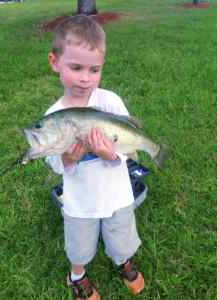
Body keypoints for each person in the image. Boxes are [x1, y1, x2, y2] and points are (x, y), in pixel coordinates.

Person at [45, 15, 145, 300]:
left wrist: (111, 155)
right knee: (80, 244)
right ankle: (77, 274)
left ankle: (123, 259)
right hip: (81, 202)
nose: (85, 78)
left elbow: (125, 148)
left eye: (94, 69)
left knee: (121, 234)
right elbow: (53, 163)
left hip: (116, 195)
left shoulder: (110, 102)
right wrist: (67, 159)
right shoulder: (54, 117)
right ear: (55, 62)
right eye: (75, 67)